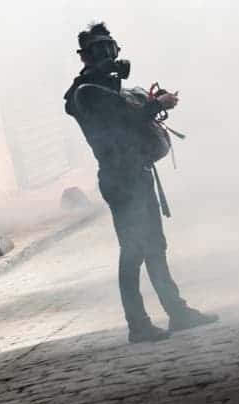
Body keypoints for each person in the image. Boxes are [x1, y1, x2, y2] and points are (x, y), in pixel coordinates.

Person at [64, 23, 218, 343]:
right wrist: (157, 103)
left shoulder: (105, 89)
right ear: (86, 57)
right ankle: (138, 324)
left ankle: (177, 311)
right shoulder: (87, 93)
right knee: (133, 250)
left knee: (155, 247)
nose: (108, 56)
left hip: (136, 173)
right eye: (99, 51)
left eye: (110, 49)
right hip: (121, 178)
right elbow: (127, 119)